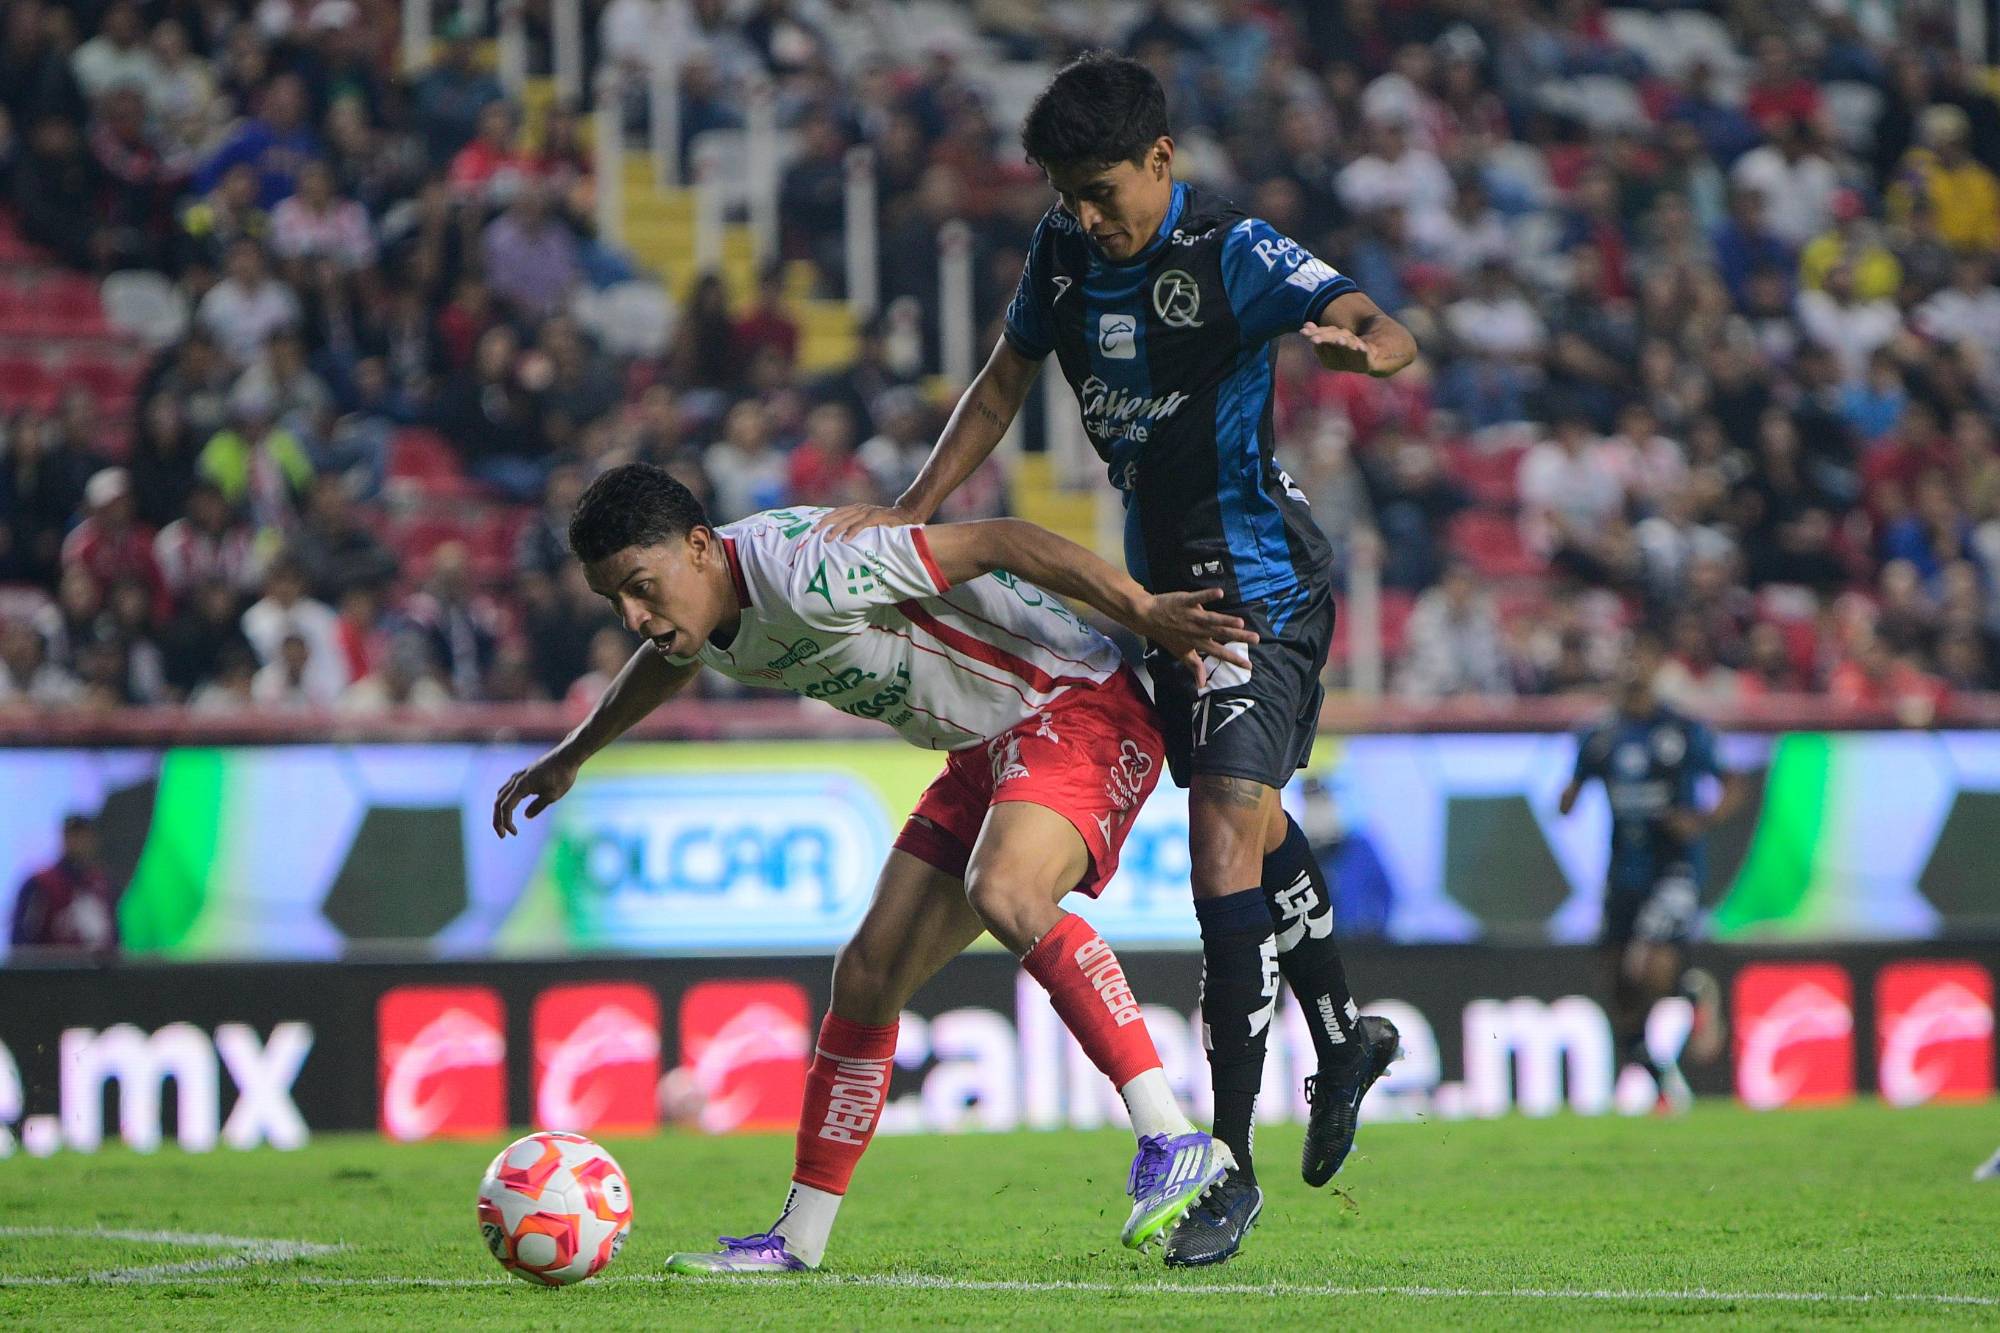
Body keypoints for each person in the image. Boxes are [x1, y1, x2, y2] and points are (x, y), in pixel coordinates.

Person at [815, 52, 1415, 1266]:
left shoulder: (1231, 251)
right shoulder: (1060, 251)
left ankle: (1228, 1168)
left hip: (1257, 586)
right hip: (1157, 596)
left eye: (1100, 190)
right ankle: (1342, 1030)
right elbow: (998, 385)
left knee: (1216, 837)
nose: (1085, 216)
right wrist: (914, 509)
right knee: (1242, 820)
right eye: (1064, 193)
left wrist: (1366, 353)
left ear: (1160, 160)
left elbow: (1369, 319)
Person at [493, 463, 1256, 1272]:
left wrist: (1142, 611)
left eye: (642, 588)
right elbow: (676, 662)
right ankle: (798, 1239)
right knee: (865, 974)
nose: (634, 616)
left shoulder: (811, 567)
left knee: (1005, 887)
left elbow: (1004, 540)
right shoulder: (705, 614)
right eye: (616, 600)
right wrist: (574, 753)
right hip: (983, 748)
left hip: (1075, 701)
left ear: (698, 547)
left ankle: (1171, 1134)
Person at [1558, 630, 1747, 1113]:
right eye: (1626, 659)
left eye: (1641, 659)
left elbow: (1731, 786)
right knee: (1618, 987)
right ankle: (1662, 1080)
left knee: (1651, 968)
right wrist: (1568, 796)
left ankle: (1691, 989)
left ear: (1657, 667)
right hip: (1624, 870)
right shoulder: (1601, 734)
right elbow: (1571, 794)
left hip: (1674, 868)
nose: (1632, 669)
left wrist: (1700, 820)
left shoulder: (1682, 730)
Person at [10, 813, 117, 957]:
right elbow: (22, 938)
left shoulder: (101, 883)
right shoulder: (41, 883)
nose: (78, 842)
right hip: (53, 973)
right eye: (73, 835)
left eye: (83, 836)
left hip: (97, 973)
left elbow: (114, 933)